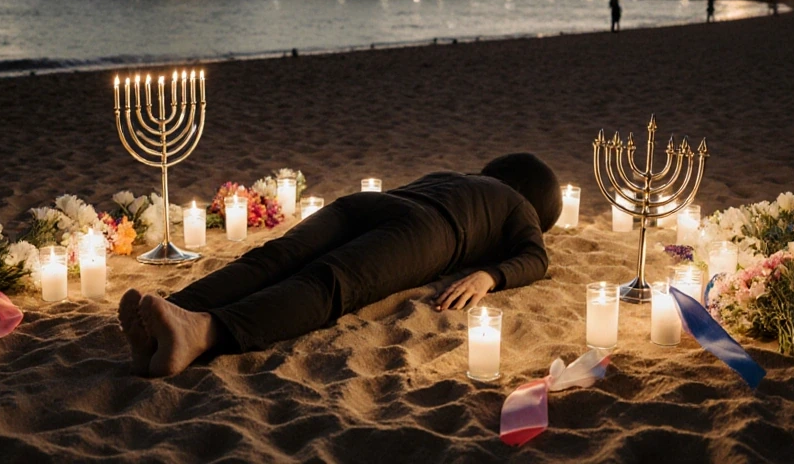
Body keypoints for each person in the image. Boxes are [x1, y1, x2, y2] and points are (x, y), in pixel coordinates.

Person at [118, 153, 562, 377]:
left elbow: (532, 257)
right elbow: (536, 256)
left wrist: (487, 270)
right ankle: (197, 329)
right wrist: (491, 273)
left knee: (276, 257)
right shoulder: (519, 205)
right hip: (428, 231)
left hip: (373, 204)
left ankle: (173, 307)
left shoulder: (459, 176)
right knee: (329, 283)